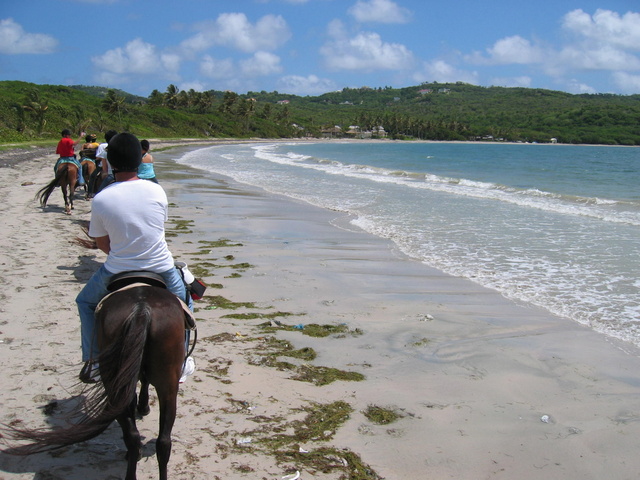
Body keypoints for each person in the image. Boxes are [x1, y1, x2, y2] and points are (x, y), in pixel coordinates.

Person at [76, 132, 193, 383]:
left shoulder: (102, 198)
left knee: (85, 303)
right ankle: (183, 360)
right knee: (186, 301)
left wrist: (124, 254)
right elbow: (156, 229)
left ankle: (94, 360)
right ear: (140, 160)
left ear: (111, 161)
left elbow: (102, 243)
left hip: (117, 268)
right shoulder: (157, 191)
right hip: (161, 267)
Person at [94, 129, 118, 195]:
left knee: (99, 194)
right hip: (126, 176)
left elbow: (105, 169)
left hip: (112, 175)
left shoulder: (105, 152)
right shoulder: (123, 149)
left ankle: (90, 192)